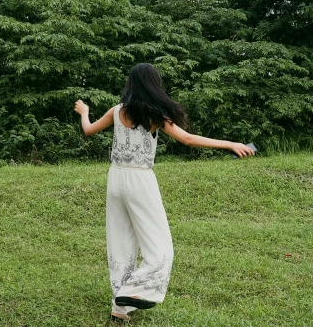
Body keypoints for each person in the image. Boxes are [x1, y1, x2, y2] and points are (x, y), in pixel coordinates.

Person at [74, 63, 255, 322]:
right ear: (153, 85)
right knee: (160, 247)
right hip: (140, 181)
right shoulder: (154, 114)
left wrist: (85, 112)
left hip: (115, 178)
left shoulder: (117, 110)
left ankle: (119, 309)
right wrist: (230, 144)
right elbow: (189, 139)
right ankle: (133, 291)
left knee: (121, 243)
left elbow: (88, 130)